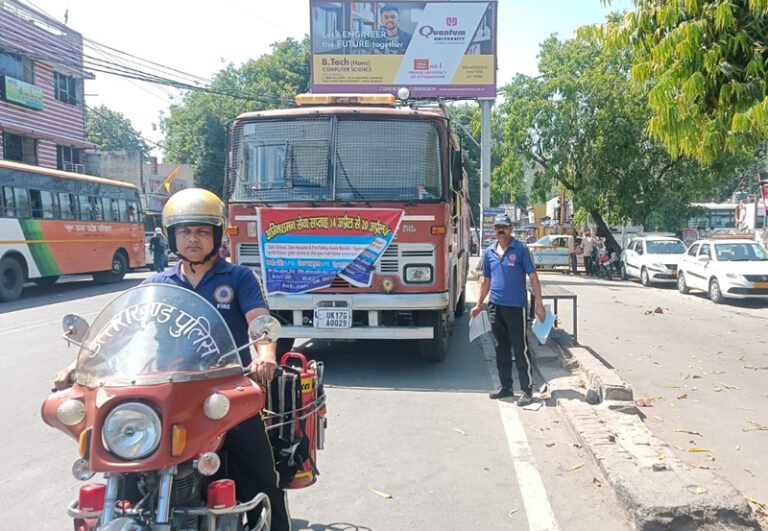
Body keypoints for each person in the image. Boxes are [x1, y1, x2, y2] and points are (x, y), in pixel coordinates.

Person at [54, 188, 291, 530]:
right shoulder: (157, 284)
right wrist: (78, 365)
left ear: (216, 236)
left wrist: (265, 354)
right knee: (128, 454)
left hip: (223, 387)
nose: (192, 239)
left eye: (201, 231)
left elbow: (258, 322)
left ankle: (274, 522)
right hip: (168, 389)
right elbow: (122, 331)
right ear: (172, 237)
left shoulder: (238, 278)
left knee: (259, 469)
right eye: (184, 231)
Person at [470, 213, 546, 406]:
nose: (500, 231)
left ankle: (527, 390)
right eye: (497, 227)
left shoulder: (520, 249)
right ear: (493, 230)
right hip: (496, 307)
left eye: (504, 227)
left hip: (515, 307)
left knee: (520, 348)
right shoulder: (489, 252)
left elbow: (533, 277)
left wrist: (539, 304)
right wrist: (479, 304)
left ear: (511, 229)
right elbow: (486, 280)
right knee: (501, 347)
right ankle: (506, 387)